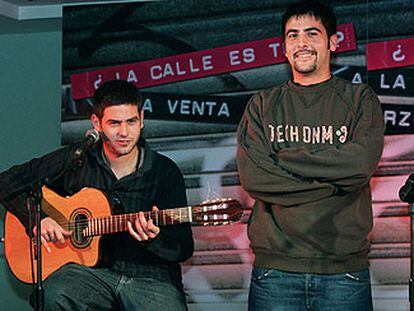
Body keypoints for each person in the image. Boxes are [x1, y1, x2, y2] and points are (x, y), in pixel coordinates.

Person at [236, 1, 384, 310]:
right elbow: (255, 177)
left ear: (333, 41)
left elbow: (359, 165)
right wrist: (333, 184)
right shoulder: (262, 105)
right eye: (292, 35)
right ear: (284, 48)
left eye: (312, 33)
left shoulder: (359, 99)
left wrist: (284, 158)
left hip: (343, 272)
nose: (301, 43)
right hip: (275, 272)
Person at [0, 80, 194, 310]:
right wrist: (37, 220)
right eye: (114, 123)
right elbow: (7, 182)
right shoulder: (76, 159)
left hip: (149, 277)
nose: (124, 132)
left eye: (131, 121)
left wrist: (154, 239)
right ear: (97, 123)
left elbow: (183, 248)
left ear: (142, 119)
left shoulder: (164, 171)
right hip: (87, 274)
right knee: (56, 294)